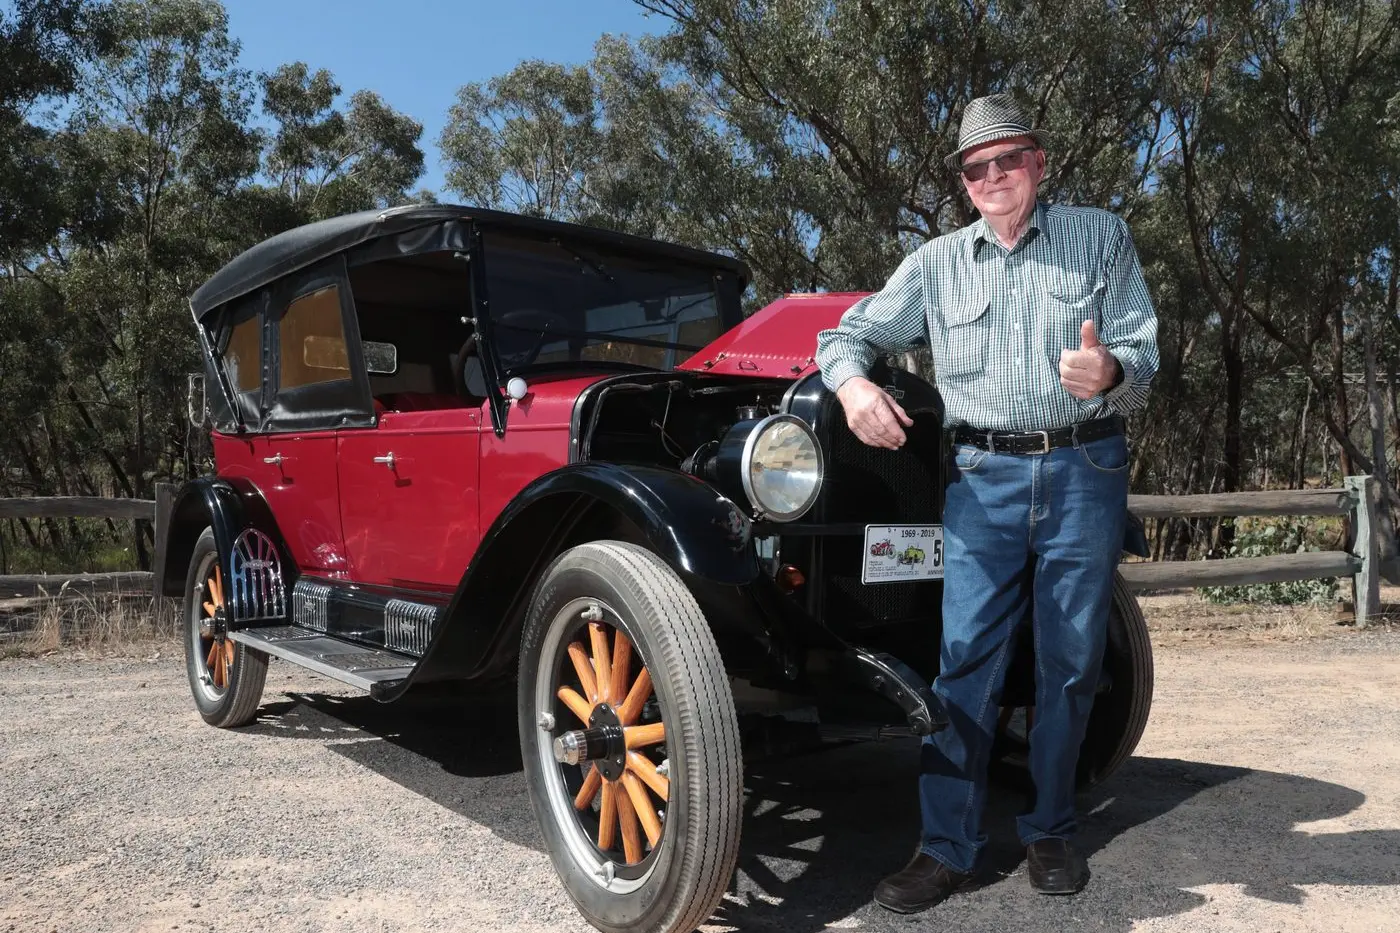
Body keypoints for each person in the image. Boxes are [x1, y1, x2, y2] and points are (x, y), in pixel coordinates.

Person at [814, 92, 1159, 913]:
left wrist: (1111, 370)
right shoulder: (935, 264)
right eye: (978, 167)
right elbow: (844, 336)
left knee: (1071, 660)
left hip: (1085, 467)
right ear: (964, 182)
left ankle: (1051, 828)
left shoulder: (1100, 237)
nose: (994, 175)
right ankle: (947, 846)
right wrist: (854, 386)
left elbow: (1143, 352)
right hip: (980, 479)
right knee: (964, 658)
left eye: (1009, 159)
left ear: (1038, 163)